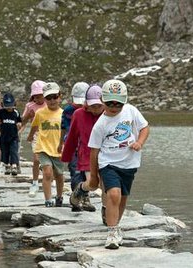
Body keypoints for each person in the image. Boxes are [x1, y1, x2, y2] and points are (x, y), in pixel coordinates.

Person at [70, 79, 150, 249]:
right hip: (108, 163)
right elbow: (94, 151)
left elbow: (144, 128)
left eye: (118, 103)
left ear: (125, 101)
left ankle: (116, 225)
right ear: (103, 101)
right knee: (113, 194)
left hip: (129, 164)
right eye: (110, 103)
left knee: (122, 198)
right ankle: (112, 233)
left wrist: (140, 143)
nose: (114, 107)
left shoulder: (131, 111)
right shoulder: (101, 124)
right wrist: (94, 176)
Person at [61, 85, 104, 212]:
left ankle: (106, 212)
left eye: (99, 105)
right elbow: (72, 136)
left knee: (105, 185)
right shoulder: (78, 114)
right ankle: (81, 189)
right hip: (86, 154)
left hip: (105, 155)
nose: (96, 109)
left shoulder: (107, 114)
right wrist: (66, 155)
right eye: (93, 106)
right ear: (86, 103)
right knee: (92, 183)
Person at [27, 82, 64, 207]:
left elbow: (67, 132)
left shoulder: (63, 114)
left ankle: (59, 196)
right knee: (47, 173)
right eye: (48, 98)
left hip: (58, 149)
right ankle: (48, 199)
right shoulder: (40, 113)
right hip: (43, 147)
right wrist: (30, 136)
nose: (52, 100)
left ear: (60, 97)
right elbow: (34, 126)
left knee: (59, 175)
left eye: (54, 97)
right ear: (44, 99)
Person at [58, 82, 89, 188]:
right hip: (73, 147)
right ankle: (76, 195)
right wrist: (60, 144)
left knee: (87, 173)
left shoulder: (93, 110)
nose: (80, 105)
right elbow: (64, 128)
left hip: (87, 148)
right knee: (75, 171)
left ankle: (83, 193)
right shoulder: (68, 111)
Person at [20, 80, 47, 197]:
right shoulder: (30, 106)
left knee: (48, 160)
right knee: (36, 159)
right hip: (36, 134)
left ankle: (48, 181)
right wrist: (28, 115)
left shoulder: (49, 104)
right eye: (35, 96)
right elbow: (22, 121)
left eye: (39, 96)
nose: (37, 99)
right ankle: (35, 183)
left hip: (48, 134)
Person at [0, 93, 22, 176]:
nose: (9, 108)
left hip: (14, 137)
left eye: (10, 106)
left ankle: (14, 166)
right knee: (5, 152)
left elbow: (19, 120)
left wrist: (19, 124)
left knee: (13, 151)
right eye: (7, 106)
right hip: (4, 137)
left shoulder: (16, 112)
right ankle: (7, 166)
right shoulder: (1, 112)